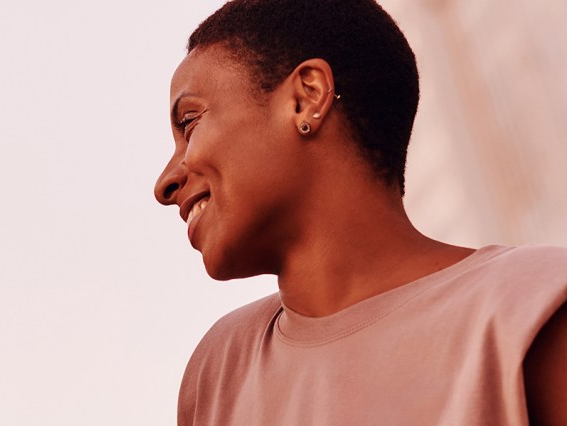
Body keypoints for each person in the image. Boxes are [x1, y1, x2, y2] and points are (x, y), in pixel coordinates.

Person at [153, 0, 567, 424]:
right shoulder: (220, 374)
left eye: (189, 123)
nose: (164, 184)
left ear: (306, 97)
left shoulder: (532, 309)